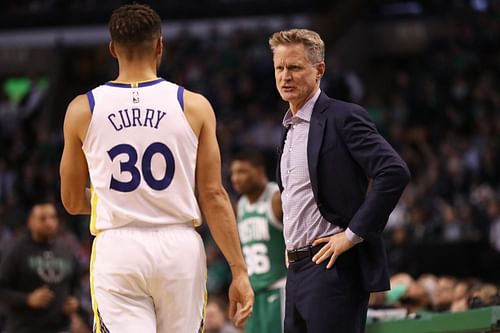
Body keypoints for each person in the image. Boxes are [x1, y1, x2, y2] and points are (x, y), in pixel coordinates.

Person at [59, 4, 253, 333]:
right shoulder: (194, 105)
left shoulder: (82, 109)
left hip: (119, 249)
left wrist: (114, 196)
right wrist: (238, 270)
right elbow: (213, 194)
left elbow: (72, 201)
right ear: (160, 45)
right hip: (180, 250)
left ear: (112, 49)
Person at [269, 29, 410, 333]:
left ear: (319, 70)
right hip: (295, 270)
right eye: (279, 68)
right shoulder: (287, 128)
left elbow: (394, 171)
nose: (285, 76)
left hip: (332, 269)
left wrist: (352, 234)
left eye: (294, 67)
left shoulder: (343, 117)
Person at [0, 202, 81, 333]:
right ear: (30, 222)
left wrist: (75, 301)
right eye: (42, 219)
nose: (49, 223)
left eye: (53, 218)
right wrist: (27, 299)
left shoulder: (66, 250)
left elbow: (76, 285)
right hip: (24, 328)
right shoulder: (17, 250)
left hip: (61, 328)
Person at [230, 150, 287, 333]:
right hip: (253, 294)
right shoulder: (241, 206)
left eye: (242, 172)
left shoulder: (278, 199)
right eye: (233, 173)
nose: (235, 178)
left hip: (279, 288)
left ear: (259, 171)